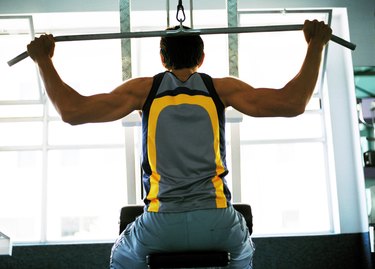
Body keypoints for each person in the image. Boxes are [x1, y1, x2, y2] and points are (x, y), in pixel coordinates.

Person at [27, 20, 332, 269]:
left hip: (160, 224)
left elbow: (73, 111)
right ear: (201, 59)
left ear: (162, 59)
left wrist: (43, 60)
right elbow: (293, 103)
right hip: (219, 223)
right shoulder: (221, 88)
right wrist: (316, 45)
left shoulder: (143, 90)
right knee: (243, 256)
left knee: (120, 260)